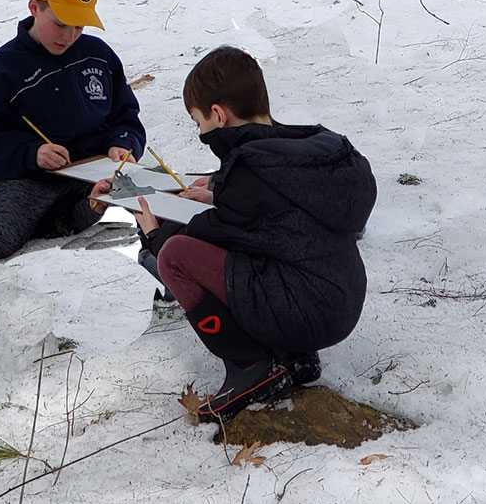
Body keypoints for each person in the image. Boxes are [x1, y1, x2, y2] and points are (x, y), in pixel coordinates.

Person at [136, 44, 376, 422]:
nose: (201, 132)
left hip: (304, 311)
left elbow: (204, 238)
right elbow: (272, 217)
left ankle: (248, 366)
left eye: (199, 123)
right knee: (254, 251)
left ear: (218, 114)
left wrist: (154, 234)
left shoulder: (248, 173)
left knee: (174, 256)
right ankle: (293, 355)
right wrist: (216, 193)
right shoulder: (312, 147)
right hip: (342, 301)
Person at [0, 0, 146, 260]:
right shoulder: (5, 67)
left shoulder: (98, 55)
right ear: (34, 8)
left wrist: (123, 144)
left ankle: (57, 218)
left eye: (79, 26)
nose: (69, 35)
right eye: (60, 23)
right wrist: (32, 153)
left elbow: (126, 117)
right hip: (35, 174)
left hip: (93, 168)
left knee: (135, 215)